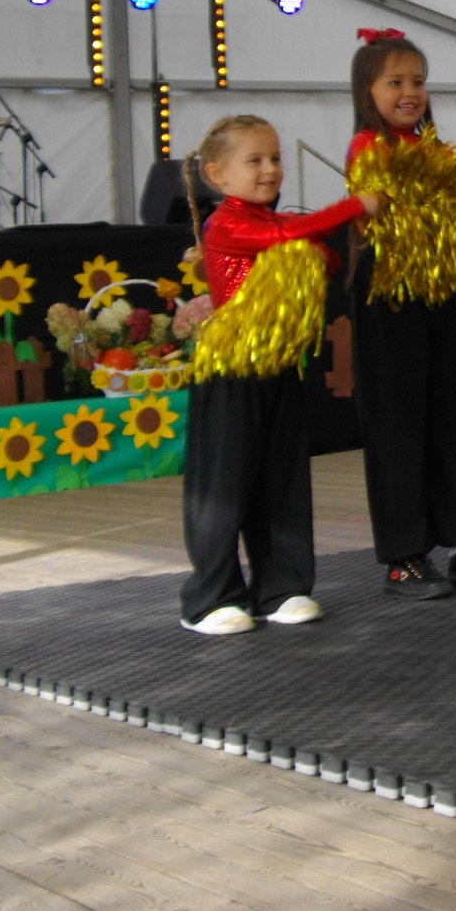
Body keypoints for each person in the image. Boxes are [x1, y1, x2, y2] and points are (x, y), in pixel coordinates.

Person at [179, 115, 380, 635]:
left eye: (275, 158)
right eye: (255, 160)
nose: (270, 169)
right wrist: (353, 205)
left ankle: (282, 587)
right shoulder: (224, 223)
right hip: (230, 367)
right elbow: (289, 235)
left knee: (283, 477)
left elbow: (322, 257)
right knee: (223, 485)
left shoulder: (271, 221)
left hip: (278, 364)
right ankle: (211, 598)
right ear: (217, 175)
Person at [346, 29, 456, 600]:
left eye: (418, 81)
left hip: (437, 285)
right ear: (367, 92)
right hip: (388, 286)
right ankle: (405, 556)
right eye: (395, 82)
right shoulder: (368, 146)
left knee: (453, 415)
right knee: (397, 419)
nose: (410, 92)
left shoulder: (436, 149)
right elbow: (414, 193)